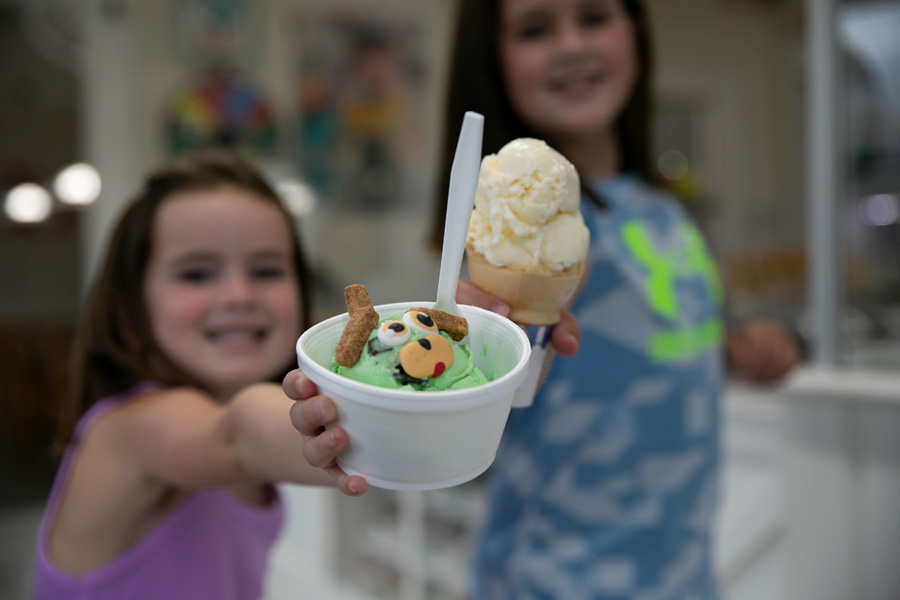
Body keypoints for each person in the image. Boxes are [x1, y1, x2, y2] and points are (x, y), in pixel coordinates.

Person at [288, 0, 803, 598]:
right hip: (553, 577)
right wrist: (499, 325)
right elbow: (512, 323)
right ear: (493, 60)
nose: (570, 45)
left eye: (594, 17)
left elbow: (652, 337)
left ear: (635, 34)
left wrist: (735, 347)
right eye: (535, 29)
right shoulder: (516, 236)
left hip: (682, 569)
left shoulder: (664, 210)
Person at [32, 151, 367, 600]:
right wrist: (374, 417)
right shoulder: (129, 429)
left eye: (267, 270)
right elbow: (236, 435)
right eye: (196, 273)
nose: (238, 295)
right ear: (129, 316)